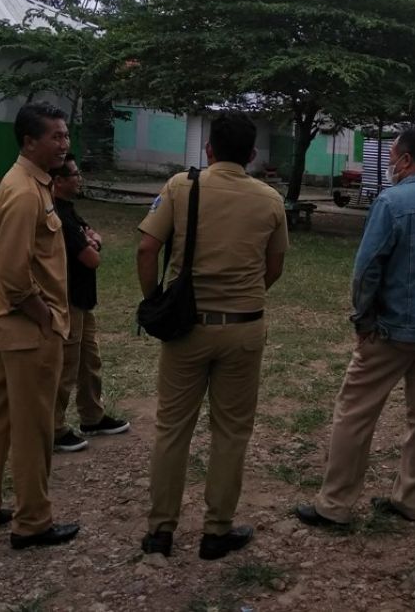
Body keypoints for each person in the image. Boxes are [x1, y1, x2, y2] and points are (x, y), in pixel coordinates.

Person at [296, 125, 415, 528]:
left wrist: (364, 320)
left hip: (390, 331)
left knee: (355, 412)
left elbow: (367, 269)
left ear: (406, 160)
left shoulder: (391, 203)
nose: (388, 164)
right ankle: (411, 500)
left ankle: (334, 504)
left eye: (392, 156)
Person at [136, 111, 288, 560]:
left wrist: (156, 299)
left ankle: (160, 531)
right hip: (244, 327)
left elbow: (146, 247)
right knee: (231, 432)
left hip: (187, 327)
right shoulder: (270, 200)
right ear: (252, 154)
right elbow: (274, 266)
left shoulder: (180, 187)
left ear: (208, 149)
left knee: (172, 429)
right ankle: (216, 531)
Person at [0, 102, 80, 550]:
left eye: (66, 135)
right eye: (55, 137)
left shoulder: (29, 183)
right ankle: (32, 521)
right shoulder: (26, 191)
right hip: (27, 331)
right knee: (33, 427)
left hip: (9, 328)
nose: (64, 144)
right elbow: (14, 274)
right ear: (30, 142)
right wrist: (44, 316)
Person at [51, 153, 130, 454]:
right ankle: (54, 429)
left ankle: (92, 417)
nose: (79, 179)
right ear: (58, 181)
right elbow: (91, 258)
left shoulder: (70, 211)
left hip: (84, 302)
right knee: (66, 368)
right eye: (74, 175)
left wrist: (93, 240)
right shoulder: (59, 216)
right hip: (68, 301)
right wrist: (92, 243)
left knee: (89, 362)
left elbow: (95, 237)